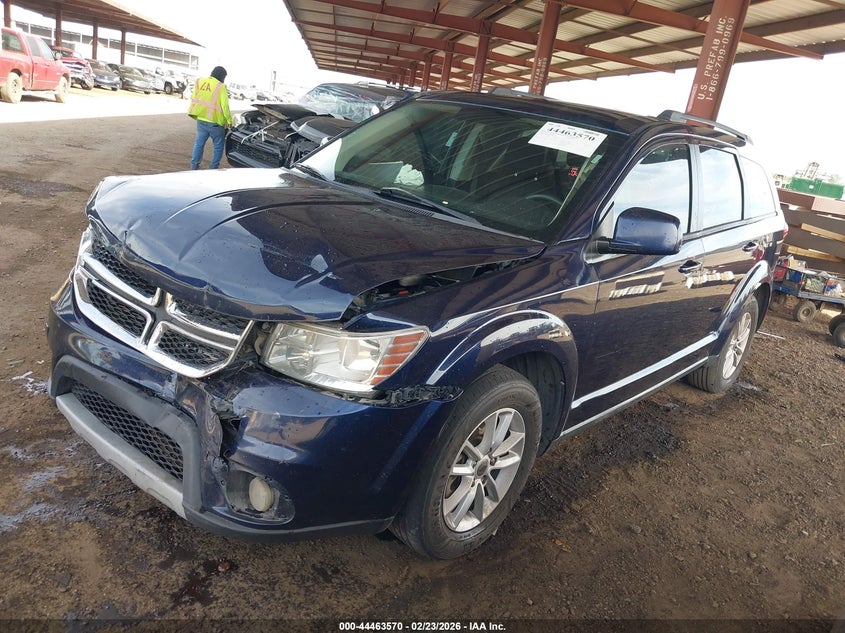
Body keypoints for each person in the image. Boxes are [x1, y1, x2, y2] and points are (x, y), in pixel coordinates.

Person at [187, 66, 232, 169]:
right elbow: (225, 105)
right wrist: (229, 120)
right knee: (218, 146)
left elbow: (194, 97)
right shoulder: (221, 86)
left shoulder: (200, 82)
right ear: (222, 76)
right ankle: (213, 168)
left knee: (199, 144)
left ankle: (193, 166)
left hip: (201, 119)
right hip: (215, 122)